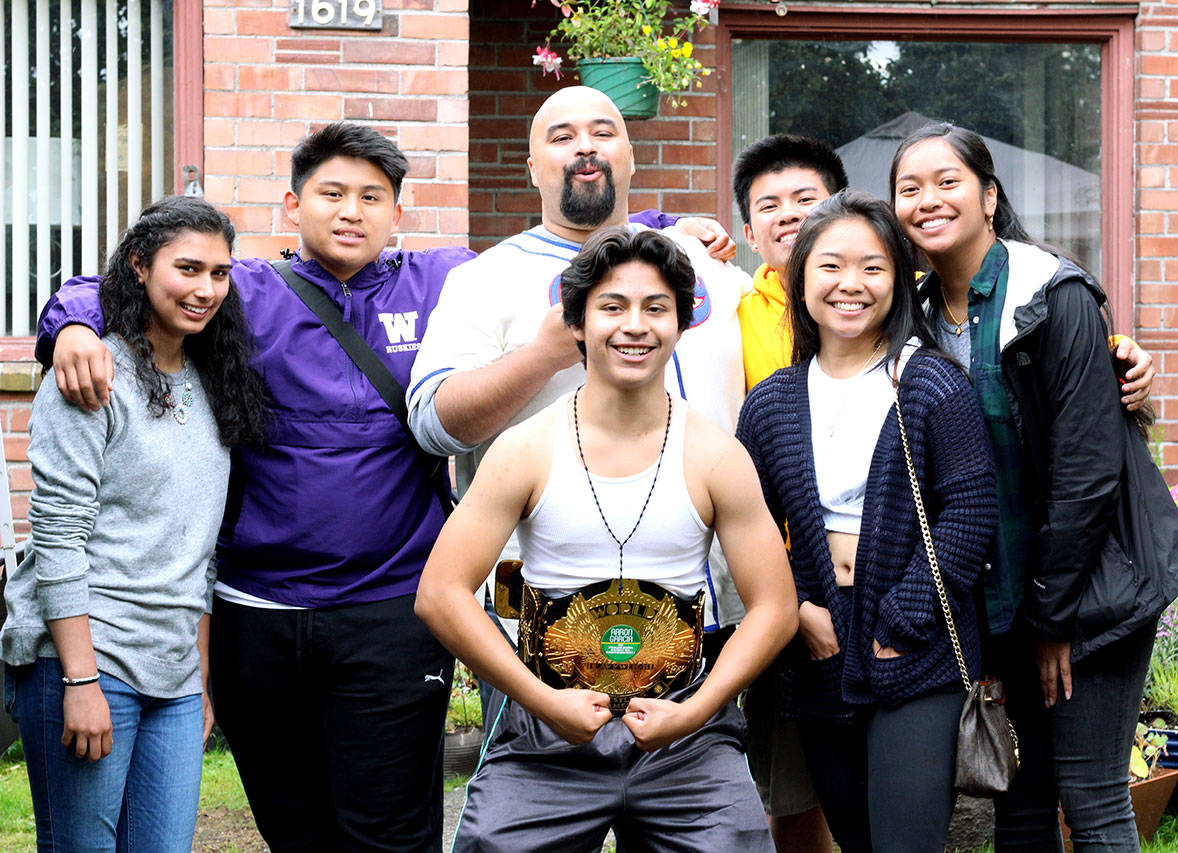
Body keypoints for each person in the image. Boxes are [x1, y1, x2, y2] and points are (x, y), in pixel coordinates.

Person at [32, 121, 725, 851]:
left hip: (391, 606)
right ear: (292, 205)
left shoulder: (445, 281)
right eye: (331, 193)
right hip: (257, 613)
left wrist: (667, 226)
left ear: (399, 212)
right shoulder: (244, 290)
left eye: (372, 196)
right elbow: (124, 281)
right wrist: (72, 326)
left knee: (392, 831)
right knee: (296, 826)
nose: (350, 211)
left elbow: (572, 250)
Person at [417, 227, 796, 852]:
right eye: (612, 307)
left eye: (655, 308)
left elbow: (776, 607)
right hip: (547, 730)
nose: (634, 326)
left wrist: (697, 712)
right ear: (577, 323)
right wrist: (542, 701)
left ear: (683, 320)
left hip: (685, 731)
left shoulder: (716, 454)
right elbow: (441, 594)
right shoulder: (524, 450)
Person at [889, 122, 1178, 851]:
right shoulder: (918, 319)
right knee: (1018, 799)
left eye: (947, 182)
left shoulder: (1051, 295)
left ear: (989, 196)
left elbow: (1088, 473)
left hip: (1092, 587)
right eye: (909, 188)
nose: (927, 199)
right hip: (1003, 598)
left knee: (1090, 795)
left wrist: (1052, 620)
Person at [408, 87, 753, 649]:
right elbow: (433, 427)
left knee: (695, 737)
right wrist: (543, 354)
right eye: (562, 137)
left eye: (603, 132)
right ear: (532, 168)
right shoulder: (485, 279)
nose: (585, 148)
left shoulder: (699, 265)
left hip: (708, 594)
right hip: (548, 606)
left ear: (631, 155)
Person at [737, 189, 999, 851]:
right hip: (819, 645)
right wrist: (796, 606)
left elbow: (969, 512)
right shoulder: (772, 403)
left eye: (873, 266)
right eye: (830, 266)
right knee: (855, 838)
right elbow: (751, 529)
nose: (851, 284)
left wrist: (901, 617)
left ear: (899, 279)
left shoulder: (931, 382)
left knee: (905, 842)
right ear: (800, 279)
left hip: (918, 643)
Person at [1, 196, 263, 851]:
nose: (206, 289)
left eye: (220, 274)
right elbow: (58, 538)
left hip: (170, 675)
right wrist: (80, 680)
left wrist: (196, 680)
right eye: (189, 269)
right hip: (88, 658)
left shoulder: (212, 383)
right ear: (140, 267)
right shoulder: (92, 374)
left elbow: (200, 552)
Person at [732, 132, 848, 851]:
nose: (788, 215)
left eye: (807, 199)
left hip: (885, 575)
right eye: (768, 206)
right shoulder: (729, 312)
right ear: (747, 232)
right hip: (780, 581)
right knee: (795, 782)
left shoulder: (900, 299)